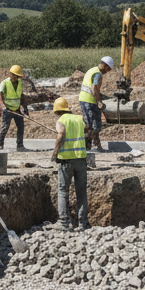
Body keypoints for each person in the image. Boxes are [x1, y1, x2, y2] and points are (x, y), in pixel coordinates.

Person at [50, 96, 89, 231]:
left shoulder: (61, 121)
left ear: (57, 111)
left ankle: (64, 222)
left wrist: (55, 153)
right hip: (81, 160)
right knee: (81, 191)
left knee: (63, 191)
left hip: (66, 161)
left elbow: (61, 134)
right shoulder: (79, 119)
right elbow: (87, 130)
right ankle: (83, 223)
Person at [78, 55, 113, 151]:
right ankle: (97, 146)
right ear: (105, 65)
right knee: (95, 125)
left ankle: (87, 147)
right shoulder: (98, 74)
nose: (107, 72)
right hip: (90, 101)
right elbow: (95, 88)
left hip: (82, 99)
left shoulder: (91, 70)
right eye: (108, 69)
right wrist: (99, 102)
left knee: (87, 125)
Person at [0, 64, 29, 151]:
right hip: (7, 110)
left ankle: (20, 145)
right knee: (5, 127)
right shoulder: (4, 83)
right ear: (11, 74)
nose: (17, 78)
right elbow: (0, 96)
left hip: (17, 109)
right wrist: (3, 106)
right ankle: (0, 144)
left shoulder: (20, 83)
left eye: (18, 76)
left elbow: (21, 96)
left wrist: (25, 108)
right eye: (16, 76)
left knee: (21, 127)